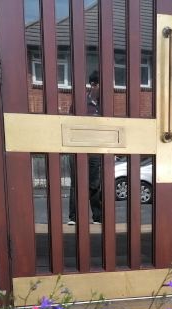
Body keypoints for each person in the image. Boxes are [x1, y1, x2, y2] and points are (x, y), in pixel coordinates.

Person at [68, 71, 103, 225]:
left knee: (95, 184)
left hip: (96, 150)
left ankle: (97, 217)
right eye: (102, 85)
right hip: (78, 149)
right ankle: (74, 217)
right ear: (93, 85)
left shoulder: (105, 106)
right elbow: (70, 124)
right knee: (76, 183)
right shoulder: (80, 103)